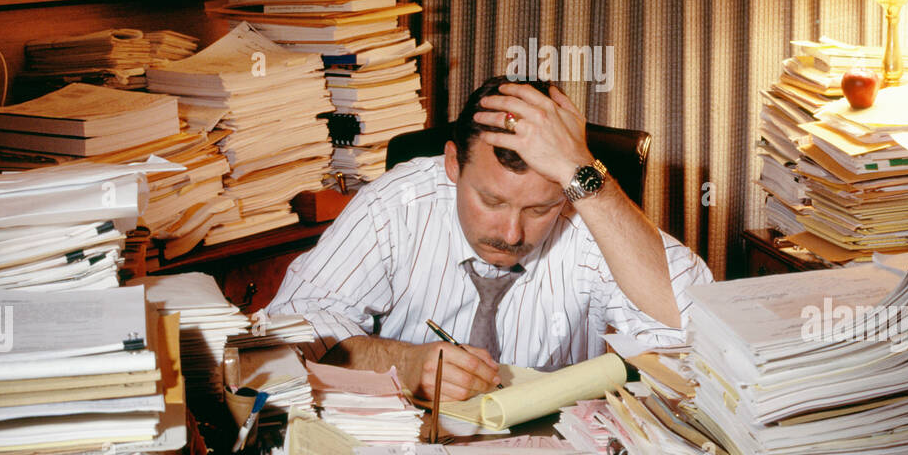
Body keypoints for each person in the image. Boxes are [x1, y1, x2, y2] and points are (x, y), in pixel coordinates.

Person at [269, 76, 714, 401]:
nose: (511, 234)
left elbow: (701, 328)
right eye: (492, 200)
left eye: (539, 208)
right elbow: (290, 326)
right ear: (452, 165)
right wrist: (404, 363)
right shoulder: (399, 203)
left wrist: (585, 177)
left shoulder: (582, 204)